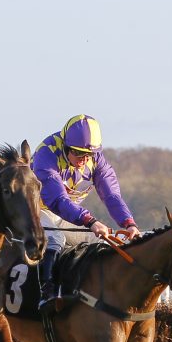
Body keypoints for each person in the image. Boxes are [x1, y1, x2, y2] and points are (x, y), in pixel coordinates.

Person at [31, 114, 141, 310]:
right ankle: (46, 294)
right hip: (35, 209)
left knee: (101, 241)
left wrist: (128, 223)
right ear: (66, 146)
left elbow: (111, 195)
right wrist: (90, 221)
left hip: (67, 213)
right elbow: (58, 200)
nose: (84, 160)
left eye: (89, 155)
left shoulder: (96, 159)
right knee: (55, 239)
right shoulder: (46, 154)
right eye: (78, 153)